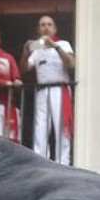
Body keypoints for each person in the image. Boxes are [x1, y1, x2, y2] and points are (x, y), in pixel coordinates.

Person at [20, 15, 75, 165]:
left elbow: (71, 64)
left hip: (59, 89)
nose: (46, 27)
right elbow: (24, 69)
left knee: (61, 129)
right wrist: (25, 53)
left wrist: (55, 46)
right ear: (38, 29)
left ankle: (62, 163)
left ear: (55, 28)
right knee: (40, 128)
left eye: (49, 24)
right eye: (42, 24)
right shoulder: (37, 49)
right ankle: (41, 161)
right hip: (42, 91)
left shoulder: (63, 44)